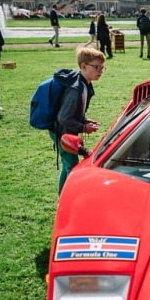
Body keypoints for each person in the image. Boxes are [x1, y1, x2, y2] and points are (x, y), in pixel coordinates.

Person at [52, 46, 105, 194]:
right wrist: (84, 128)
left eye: (102, 68)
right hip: (62, 133)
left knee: (68, 164)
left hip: (67, 131)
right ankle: (68, 198)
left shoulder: (84, 84)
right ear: (83, 66)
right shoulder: (76, 88)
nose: (100, 71)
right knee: (72, 165)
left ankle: (62, 196)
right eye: (97, 67)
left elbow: (74, 112)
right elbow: (63, 117)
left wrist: (85, 120)